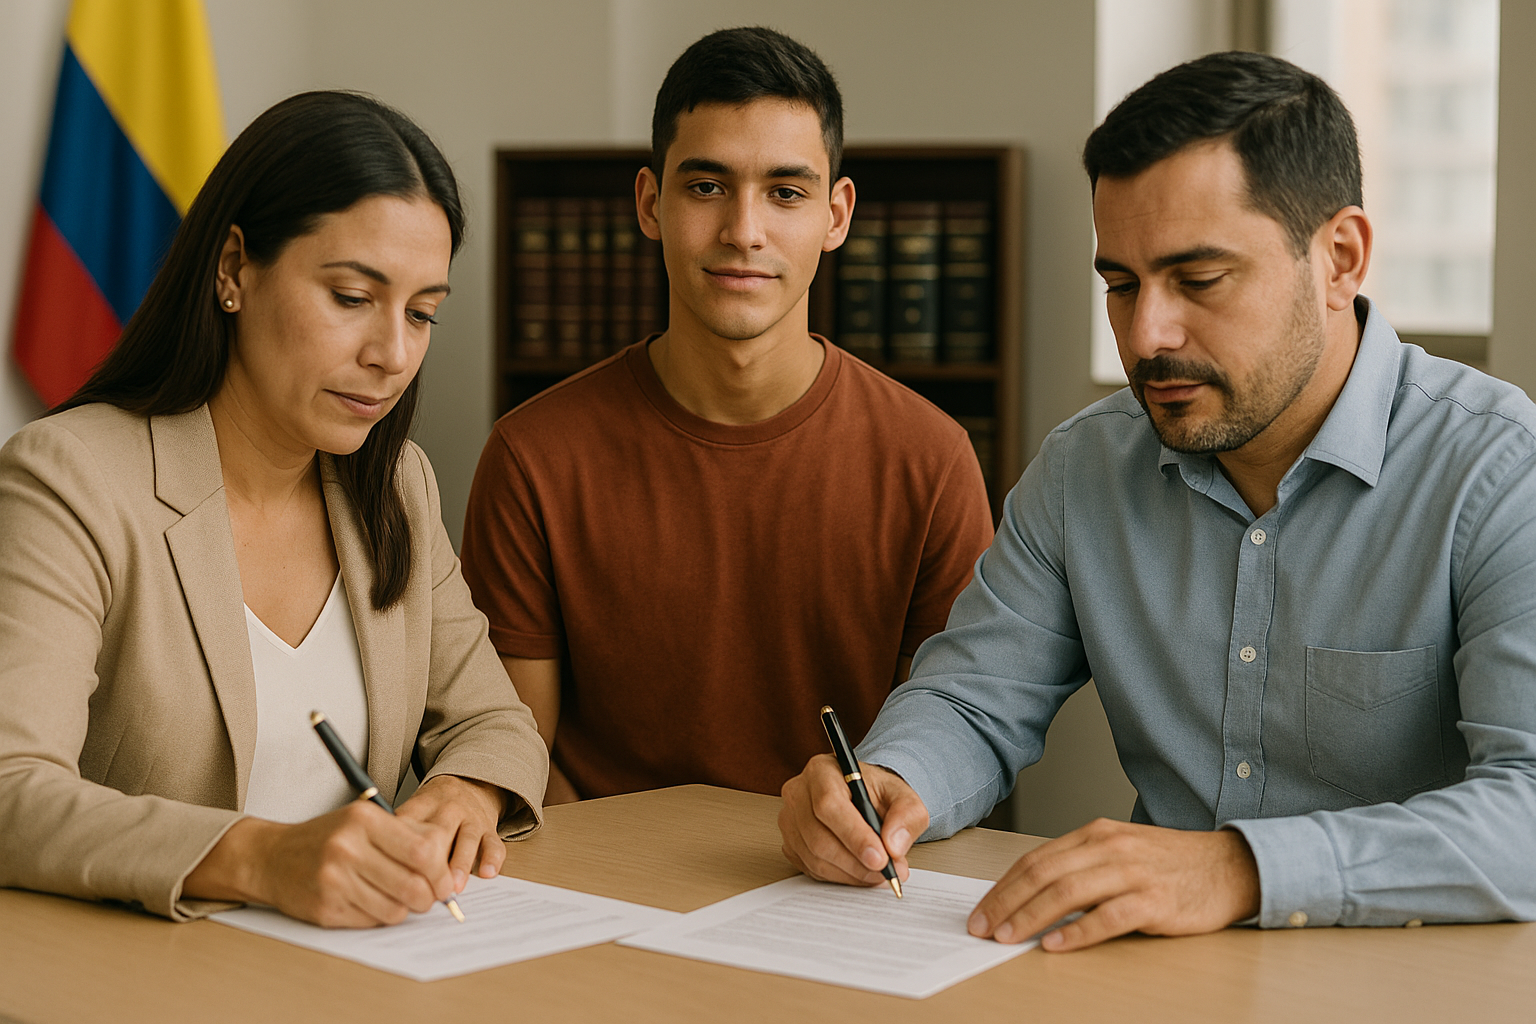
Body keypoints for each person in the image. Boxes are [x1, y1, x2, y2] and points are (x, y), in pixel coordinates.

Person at [779, 51, 1536, 949]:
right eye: (1121, 284)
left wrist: (1238, 867)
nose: (1147, 336)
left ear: (1340, 259)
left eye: (1199, 281)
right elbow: (976, 701)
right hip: (1153, 980)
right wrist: (891, 780)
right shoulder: (1084, 468)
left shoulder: (1499, 470)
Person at [0, 92, 548, 927]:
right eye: (352, 297)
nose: (391, 355)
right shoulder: (71, 479)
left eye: (422, 313)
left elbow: (494, 720)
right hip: (140, 976)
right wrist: (263, 857)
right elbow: (11, 789)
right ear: (233, 270)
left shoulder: (397, 484)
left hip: (351, 970)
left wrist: (462, 795)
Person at [460, 27, 994, 803]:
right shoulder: (531, 456)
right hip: (601, 886)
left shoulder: (931, 459)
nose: (744, 232)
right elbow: (519, 761)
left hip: (834, 885)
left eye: (786, 193)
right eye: (707, 187)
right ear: (650, 203)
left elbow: (945, 744)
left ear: (837, 216)